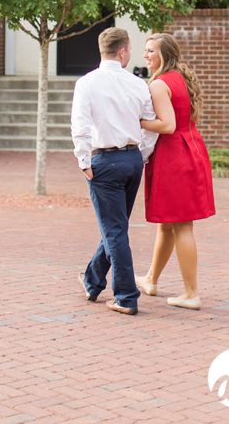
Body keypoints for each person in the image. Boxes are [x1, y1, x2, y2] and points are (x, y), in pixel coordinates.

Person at [70, 27, 164, 315]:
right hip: (132, 160)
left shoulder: (87, 83)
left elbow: (81, 126)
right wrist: (142, 155)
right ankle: (93, 280)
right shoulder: (138, 85)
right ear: (122, 51)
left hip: (104, 162)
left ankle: (125, 296)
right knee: (116, 228)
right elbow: (150, 125)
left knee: (113, 229)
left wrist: (83, 161)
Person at [134, 32, 216, 310]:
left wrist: (140, 121)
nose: (145, 55)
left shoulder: (159, 84)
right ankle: (151, 279)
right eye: (145, 51)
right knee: (167, 223)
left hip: (174, 157)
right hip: (190, 150)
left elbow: (167, 125)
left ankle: (191, 293)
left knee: (181, 224)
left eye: (150, 51)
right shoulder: (180, 78)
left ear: (164, 55)